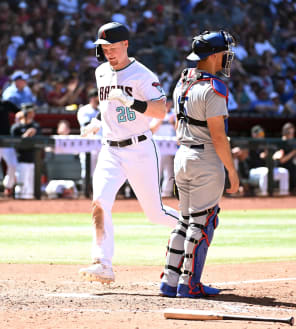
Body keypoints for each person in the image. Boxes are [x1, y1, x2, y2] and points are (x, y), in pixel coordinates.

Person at [78, 22, 179, 284]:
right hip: (110, 149)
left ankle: (192, 231)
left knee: (154, 213)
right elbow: (109, 108)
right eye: (103, 48)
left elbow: (160, 111)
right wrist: (98, 123)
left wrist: (132, 101)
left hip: (139, 148)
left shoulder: (142, 75)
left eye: (112, 47)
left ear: (125, 45)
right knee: (99, 201)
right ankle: (102, 263)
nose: (107, 52)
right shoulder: (101, 72)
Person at [160, 30, 240, 298]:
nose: (227, 57)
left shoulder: (182, 81)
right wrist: (231, 170)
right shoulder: (214, 88)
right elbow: (218, 136)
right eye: (225, 53)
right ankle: (189, 284)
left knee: (184, 221)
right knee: (202, 223)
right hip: (204, 157)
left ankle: (170, 281)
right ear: (215, 55)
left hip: (182, 155)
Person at [248, 125, 289, 196]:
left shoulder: (266, 144)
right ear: (254, 135)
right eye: (259, 134)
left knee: (284, 172)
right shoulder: (249, 144)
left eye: (262, 134)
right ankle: (264, 194)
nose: (261, 136)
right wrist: (264, 155)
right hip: (254, 171)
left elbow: (272, 157)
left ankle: (283, 194)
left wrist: (274, 156)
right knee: (265, 172)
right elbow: (259, 158)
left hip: (267, 169)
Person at [10, 103, 41, 199]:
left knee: (31, 187)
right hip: (20, 159)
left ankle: (30, 209)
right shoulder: (16, 127)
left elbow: (40, 140)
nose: (32, 114)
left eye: (32, 112)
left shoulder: (35, 126)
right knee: (21, 185)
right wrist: (25, 136)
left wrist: (33, 134)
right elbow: (14, 143)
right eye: (29, 112)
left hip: (33, 159)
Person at [150, 97, 177, 198]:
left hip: (171, 145)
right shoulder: (157, 113)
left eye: (169, 103)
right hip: (158, 144)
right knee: (157, 170)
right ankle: (154, 193)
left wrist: (173, 122)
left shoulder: (174, 114)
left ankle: (166, 192)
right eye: (166, 103)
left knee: (169, 170)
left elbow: (179, 128)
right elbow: (151, 129)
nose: (167, 105)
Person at [77, 88, 101, 181]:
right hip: (88, 142)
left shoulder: (101, 109)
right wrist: (98, 120)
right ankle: (85, 192)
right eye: (96, 98)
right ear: (91, 98)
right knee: (87, 169)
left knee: (100, 169)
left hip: (100, 142)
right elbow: (86, 124)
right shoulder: (84, 110)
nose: (98, 100)